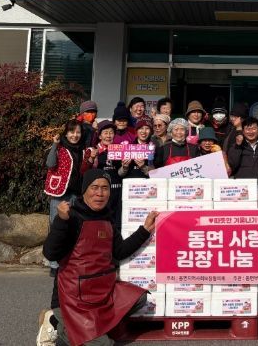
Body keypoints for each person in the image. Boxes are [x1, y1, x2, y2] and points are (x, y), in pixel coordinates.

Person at [42, 169, 158, 346]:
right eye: (94, 187)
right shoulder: (71, 216)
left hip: (103, 293)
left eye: (105, 188)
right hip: (73, 300)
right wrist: (61, 221)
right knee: (104, 344)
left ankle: (69, 330)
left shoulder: (107, 218)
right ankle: (57, 324)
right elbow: (50, 253)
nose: (100, 193)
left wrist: (144, 230)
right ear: (84, 190)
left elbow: (119, 251)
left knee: (139, 298)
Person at [44, 120, 89, 276]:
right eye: (71, 132)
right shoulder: (59, 147)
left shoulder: (84, 150)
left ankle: (69, 261)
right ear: (66, 133)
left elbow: (85, 171)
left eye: (78, 132)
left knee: (74, 228)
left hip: (77, 194)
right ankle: (54, 264)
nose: (75, 135)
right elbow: (50, 164)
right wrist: (55, 145)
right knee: (56, 226)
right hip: (60, 193)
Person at [84, 120, 123, 232]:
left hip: (117, 191)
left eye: (111, 132)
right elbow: (87, 171)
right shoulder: (93, 150)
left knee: (116, 221)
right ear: (100, 136)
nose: (108, 136)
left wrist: (124, 166)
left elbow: (121, 172)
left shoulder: (120, 150)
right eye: (105, 133)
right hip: (101, 192)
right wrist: (92, 158)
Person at [227, 116, 258, 183]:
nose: (251, 132)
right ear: (243, 131)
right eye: (247, 129)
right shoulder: (236, 145)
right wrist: (238, 146)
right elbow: (232, 164)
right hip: (242, 184)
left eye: (254, 129)